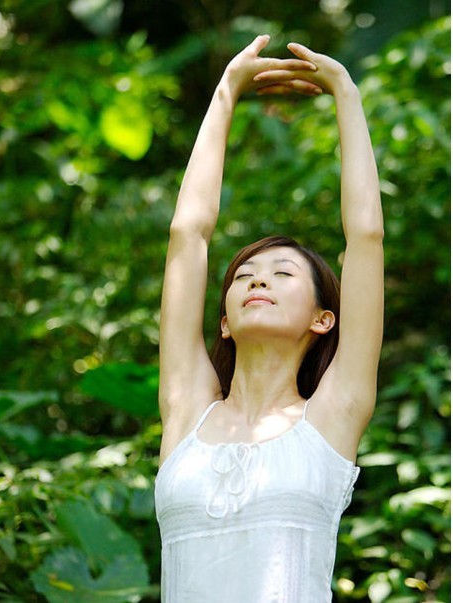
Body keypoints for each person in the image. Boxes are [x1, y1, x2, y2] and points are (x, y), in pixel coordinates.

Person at [154, 34, 384, 603]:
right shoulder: (186, 412)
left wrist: (346, 96)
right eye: (244, 275)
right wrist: (227, 91)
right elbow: (188, 236)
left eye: (283, 274)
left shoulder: (333, 416)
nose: (258, 280)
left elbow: (366, 237)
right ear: (225, 323)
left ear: (325, 319)